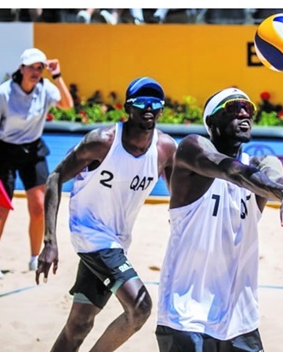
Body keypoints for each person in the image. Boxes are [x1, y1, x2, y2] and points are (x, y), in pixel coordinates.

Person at [155, 87, 283, 351]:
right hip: (186, 314)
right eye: (233, 108)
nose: (245, 112)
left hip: (240, 319)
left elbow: (276, 176)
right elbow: (233, 172)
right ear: (211, 121)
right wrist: (282, 192)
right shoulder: (193, 149)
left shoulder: (261, 164)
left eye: (249, 108)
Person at [35, 77, 177, 351]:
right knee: (140, 308)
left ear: (161, 109)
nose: (148, 107)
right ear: (127, 107)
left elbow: (179, 200)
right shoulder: (102, 142)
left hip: (117, 241)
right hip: (90, 234)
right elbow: (54, 178)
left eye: (155, 102)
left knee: (79, 325)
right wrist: (50, 242)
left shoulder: (165, 149)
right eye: (141, 102)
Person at [0, 47, 73, 279]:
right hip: (5, 151)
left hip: (32, 149)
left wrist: (58, 75)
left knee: (39, 207)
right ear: (21, 68)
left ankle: (35, 257)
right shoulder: (4, 93)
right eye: (31, 67)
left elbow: (67, 105)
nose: (35, 71)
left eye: (39, 67)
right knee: (3, 207)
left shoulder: (45, 89)